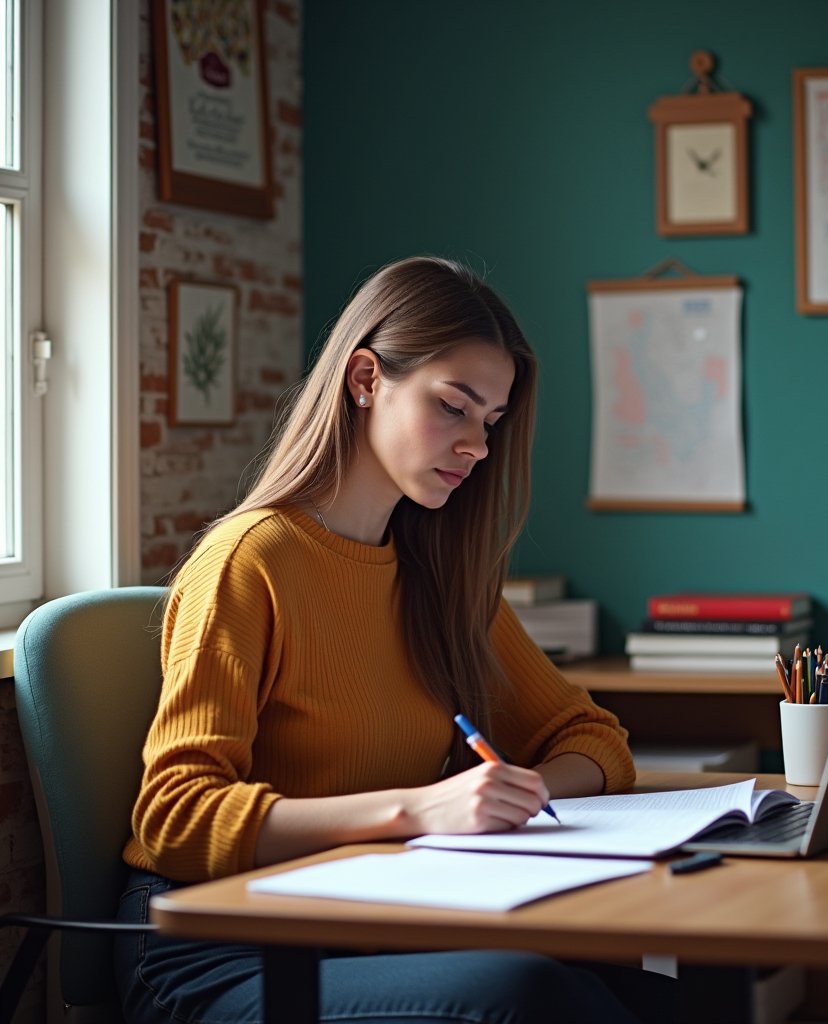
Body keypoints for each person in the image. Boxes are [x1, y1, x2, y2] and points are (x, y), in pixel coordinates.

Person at [114, 256, 684, 1023]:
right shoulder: (250, 561)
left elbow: (593, 738)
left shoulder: (440, 577)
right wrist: (416, 813)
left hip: (367, 927)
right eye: (453, 406)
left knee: (672, 987)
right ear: (364, 380)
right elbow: (176, 818)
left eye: (491, 422)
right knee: (528, 993)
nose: (477, 446)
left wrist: (520, 795)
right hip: (218, 948)